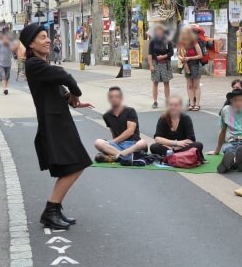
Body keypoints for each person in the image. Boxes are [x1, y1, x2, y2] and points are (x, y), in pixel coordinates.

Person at [21, 23, 93, 230]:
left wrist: (73, 101)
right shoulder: (34, 64)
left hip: (58, 120)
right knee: (76, 164)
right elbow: (64, 76)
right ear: (31, 44)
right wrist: (76, 92)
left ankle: (55, 208)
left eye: (47, 36)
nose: (48, 40)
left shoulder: (40, 65)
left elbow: (54, 88)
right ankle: (51, 209)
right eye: (42, 37)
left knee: (72, 165)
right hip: (54, 124)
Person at [94, 87, 148, 162]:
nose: (114, 98)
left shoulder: (130, 111)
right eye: (111, 97)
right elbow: (113, 132)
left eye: (116, 96)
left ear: (121, 98)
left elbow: (130, 131)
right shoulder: (106, 115)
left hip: (132, 144)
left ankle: (116, 156)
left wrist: (113, 142)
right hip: (118, 145)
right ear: (109, 99)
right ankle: (124, 156)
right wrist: (111, 144)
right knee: (98, 142)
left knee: (143, 143)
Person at [148, 25, 174, 109]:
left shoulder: (168, 41)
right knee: (155, 82)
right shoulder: (152, 41)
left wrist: (164, 56)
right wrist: (151, 65)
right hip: (155, 63)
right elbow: (149, 54)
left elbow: (171, 52)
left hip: (165, 63)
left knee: (166, 82)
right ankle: (155, 101)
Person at [177, 26, 203, 111]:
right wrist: (181, 58)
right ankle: (191, 103)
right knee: (190, 85)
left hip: (195, 64)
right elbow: (179, 54)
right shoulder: (181, 43)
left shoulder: (194, 42)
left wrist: (190, 58)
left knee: (196, 85)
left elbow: (200, 55)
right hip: (186, 65)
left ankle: (197, 104)